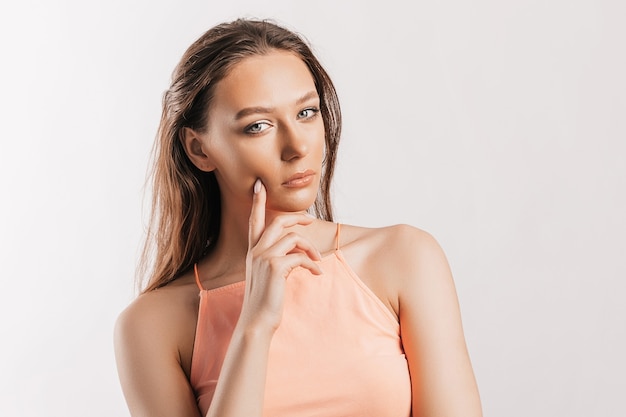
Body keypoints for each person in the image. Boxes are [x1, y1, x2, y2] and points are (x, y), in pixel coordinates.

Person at [114, 18, 483, 417]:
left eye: (307, 113)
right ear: (199, 149)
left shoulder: (404, 258)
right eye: (258, 126)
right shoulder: (152, 326)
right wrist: (255, 326)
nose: (296, 147)